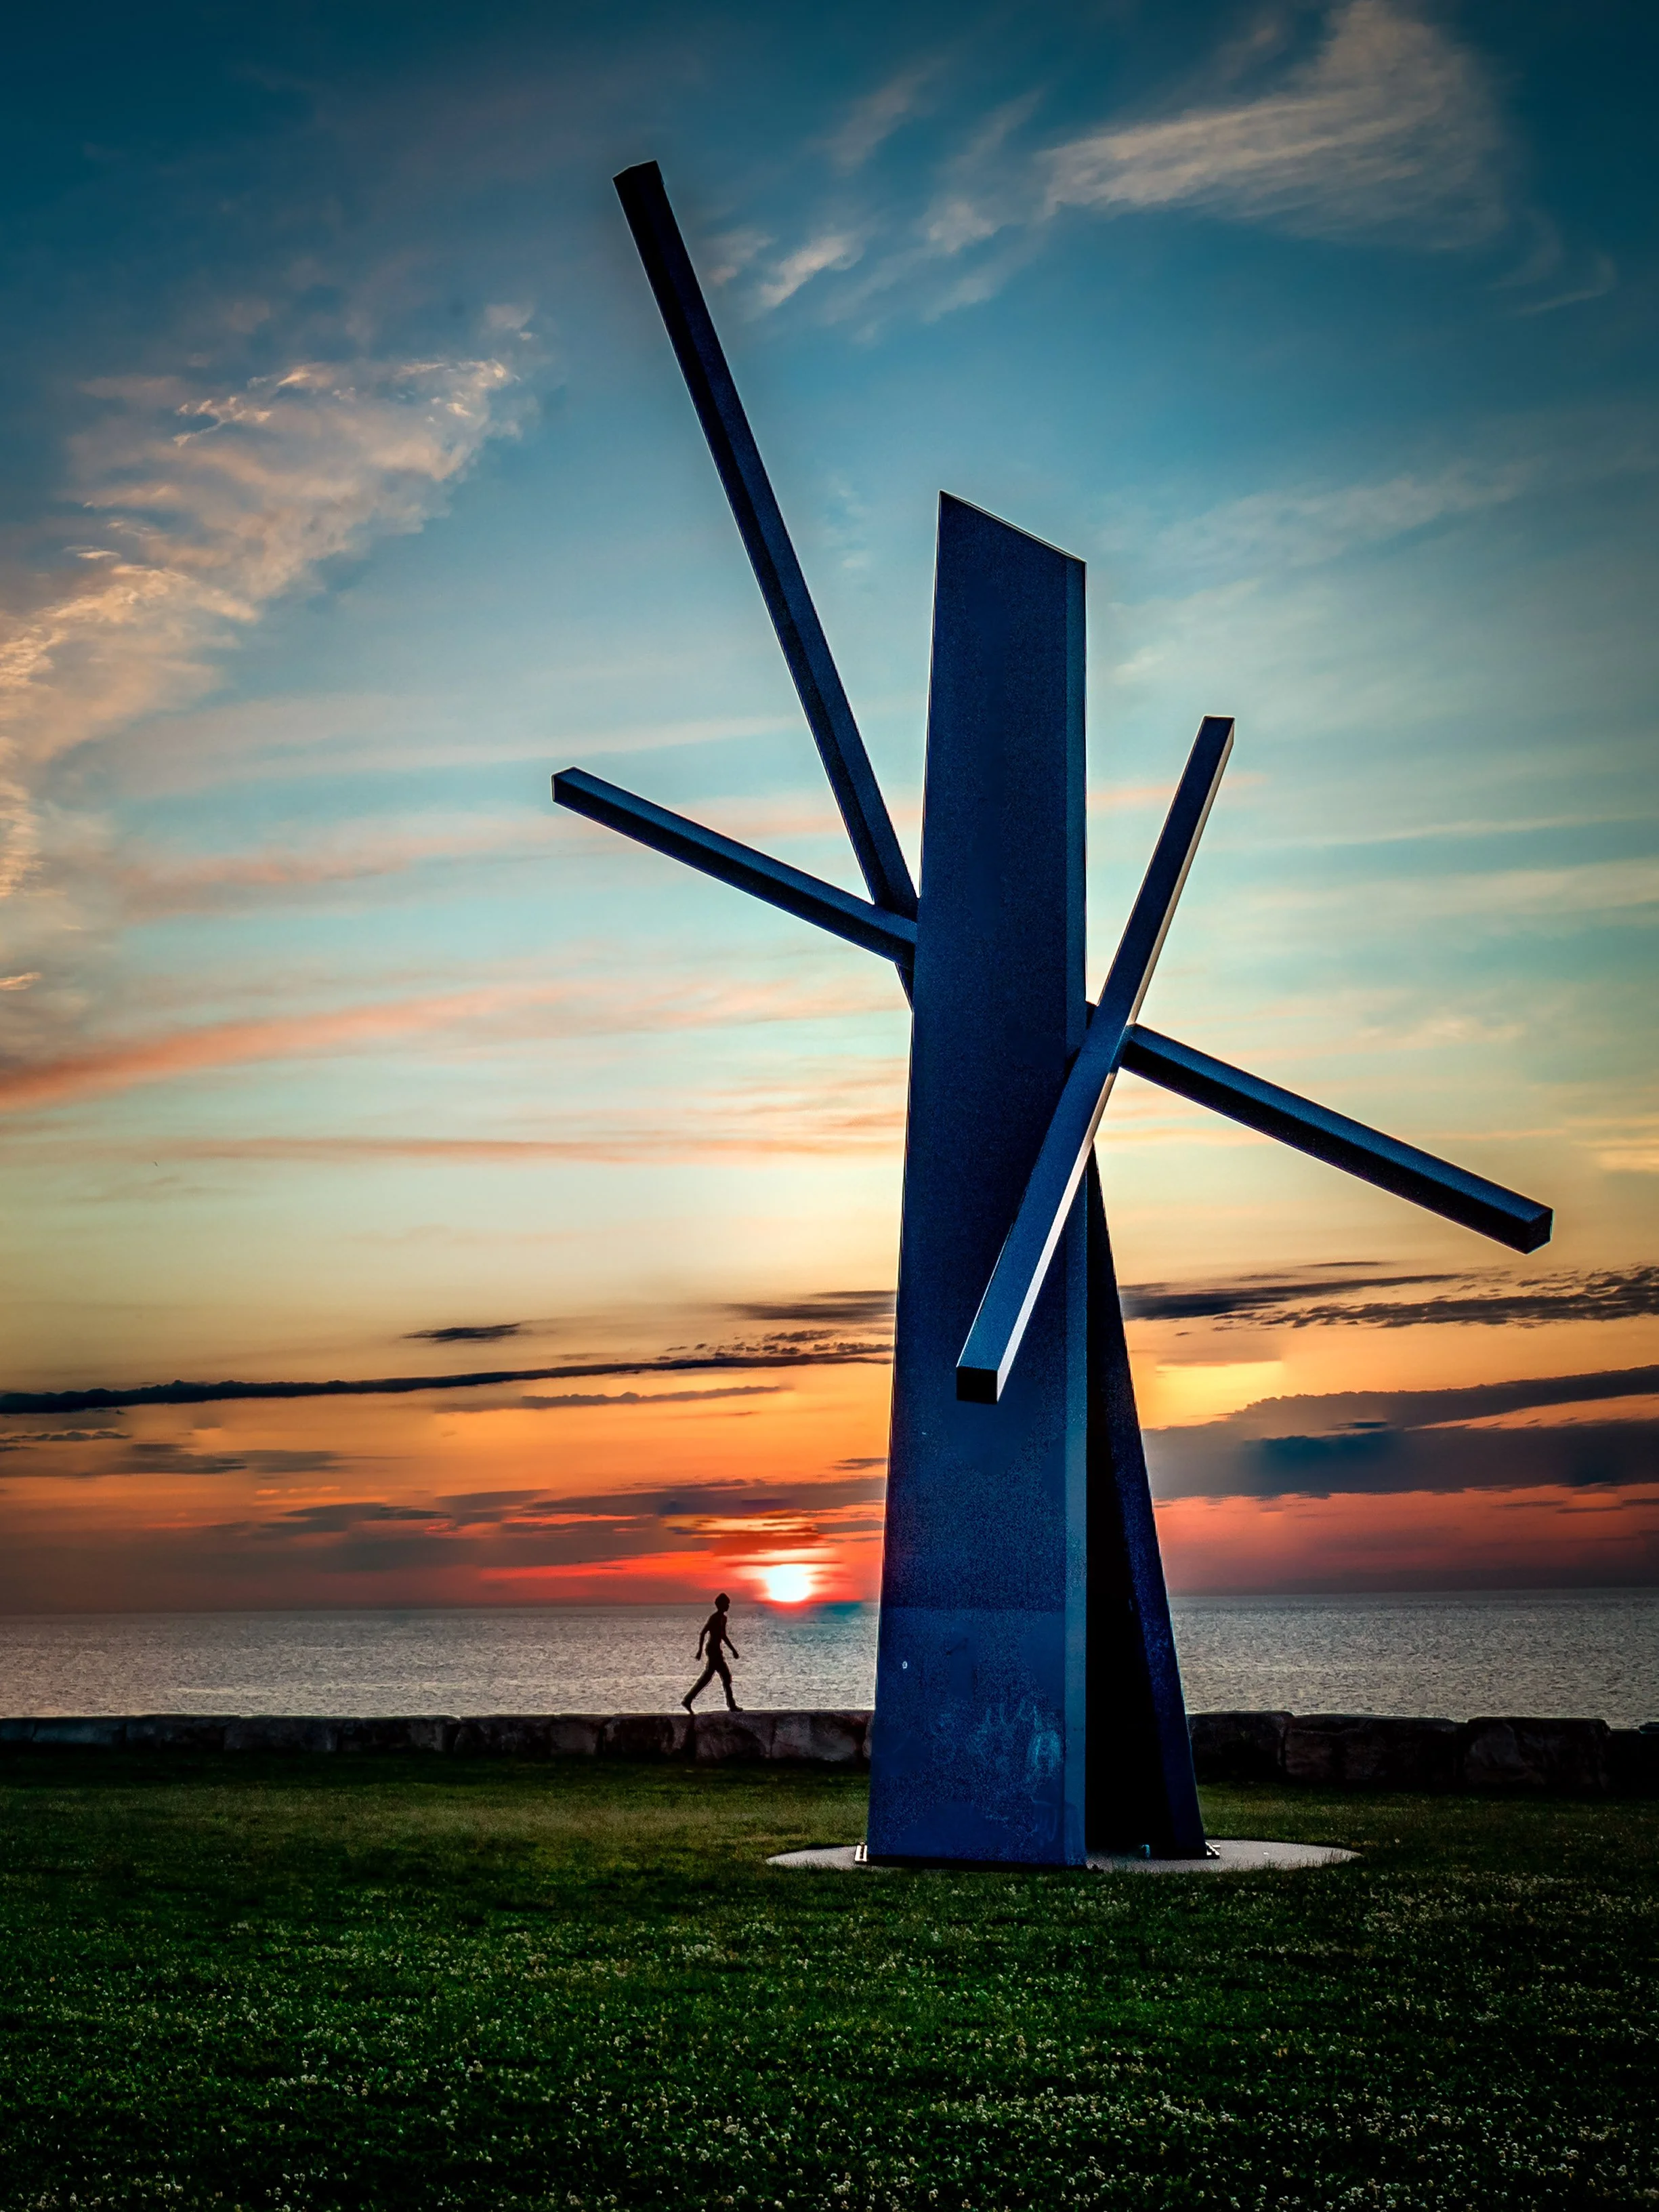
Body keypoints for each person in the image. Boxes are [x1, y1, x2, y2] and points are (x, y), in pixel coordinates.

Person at [682, 1591, 742, 1712]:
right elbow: (704, 1632)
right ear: (721, 1605)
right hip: (712, 1650)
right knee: (723, 1676)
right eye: (727, 1604)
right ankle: (731, 1705)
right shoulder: (714, 1618)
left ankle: (688, 1700)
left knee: (713, 1677)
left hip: (717, 1650)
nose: (728, 1606)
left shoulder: (723, 1619)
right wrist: (699, 1651)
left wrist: (733, 1650)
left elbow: (723, 1636)